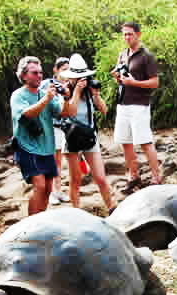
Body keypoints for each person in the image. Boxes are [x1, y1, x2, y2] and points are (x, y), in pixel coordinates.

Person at [10, 56, 70, 216]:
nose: (39, 76)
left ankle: (39, 221)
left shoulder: (45, 94)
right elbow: (27, 114)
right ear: (23, 76)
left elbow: (63, 113)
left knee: (48, 189)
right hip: (27, 148)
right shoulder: (18, 96)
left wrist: (67, 97)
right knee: (40, 186)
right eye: (34, 73)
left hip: (47, 148)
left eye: (41, 73)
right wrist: (46, 99)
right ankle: (30, 224)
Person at [110, 21, 161, 194]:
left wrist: (135, 82)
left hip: (139, 104)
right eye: (124, 34)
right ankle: (133, 177)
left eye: (129, 34)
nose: (126, 37)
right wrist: (118, 78)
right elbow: (122, 80)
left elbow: (155, 82)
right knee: (126, 142)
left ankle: (156, 178)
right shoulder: (122, 54)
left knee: (145, 142)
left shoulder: (146, 56)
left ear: (138, 34)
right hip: (123, 102)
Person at [61, 54, 115, 214]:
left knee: (101, 178)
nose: (82, 80)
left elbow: (104, 111)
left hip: (90, 138)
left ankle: (112, 208)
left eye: (84, 77)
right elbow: (70, 111)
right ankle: (76, 213)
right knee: (76, 180)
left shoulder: (90, 91)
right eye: (78, 77)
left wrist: (96, 94)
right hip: (72, 140)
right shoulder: (66, 91)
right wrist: (76, 91)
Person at [41, 57, 71, 205]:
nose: (66, 72)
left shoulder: (70, 83)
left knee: (59, 160)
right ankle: (51, 192)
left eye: (68, 69)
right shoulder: (47, 83)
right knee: (51, 160)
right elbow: (40, 100)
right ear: (56, 69)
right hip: (50, 126)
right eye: (63, 69)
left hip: (63, 127)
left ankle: (57, 190)